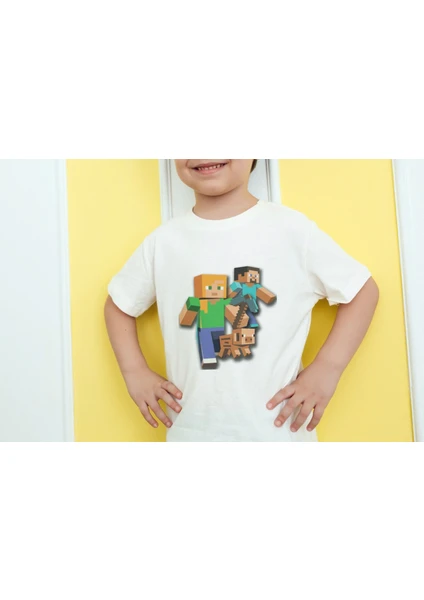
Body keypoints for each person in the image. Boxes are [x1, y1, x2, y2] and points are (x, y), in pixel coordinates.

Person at [104, 159, 379, 442]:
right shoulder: (164, 242)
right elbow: (118, 305)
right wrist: (134, 371)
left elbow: (362, 290)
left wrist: (327, 369)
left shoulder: (291, 231)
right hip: (190, 432)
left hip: (279, 434)